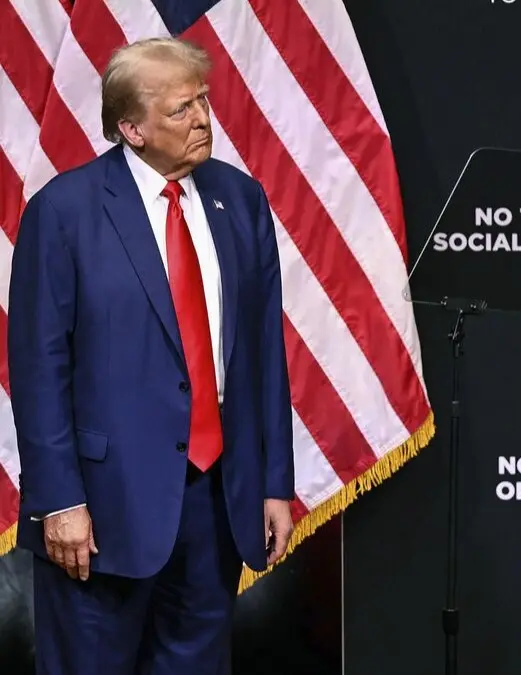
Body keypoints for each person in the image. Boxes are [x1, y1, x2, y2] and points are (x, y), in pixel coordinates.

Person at [8, 37, 295, 675]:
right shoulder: (63, 212)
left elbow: (262, 357)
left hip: (215, 499)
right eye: (180, 110)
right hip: (99, 511)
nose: (201, 120)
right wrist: (60, 502)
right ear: (131, 128)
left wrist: (275, 482)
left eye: (203, 102)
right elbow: (37, 372)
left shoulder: (240, 201)